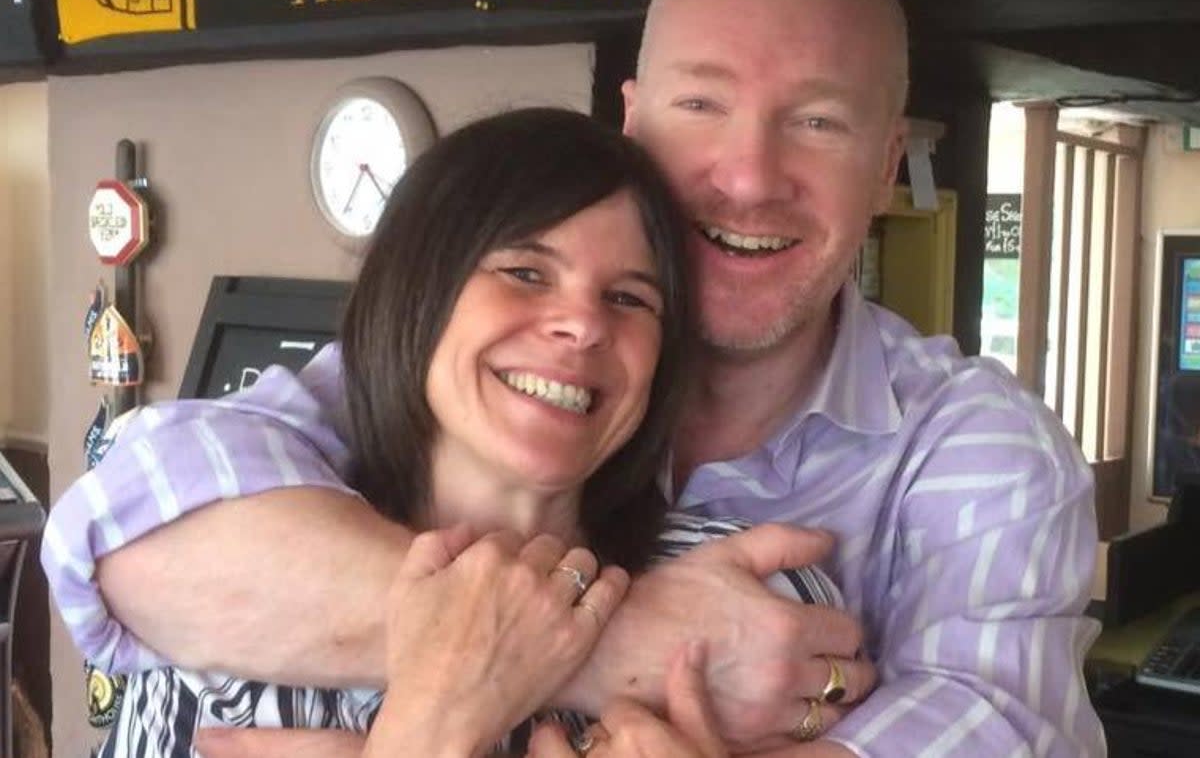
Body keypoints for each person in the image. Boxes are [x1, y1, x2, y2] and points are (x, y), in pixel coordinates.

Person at [44, 0, 1104, 755]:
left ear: (887, 167)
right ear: (633, 120)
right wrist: (607, 647)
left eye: (819, 122)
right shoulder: (417, 394)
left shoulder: (959, 459)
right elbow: (133, 525)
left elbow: (1004, 728)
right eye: (703, 102)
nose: (748, 173)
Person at [80, 107, 844, 757]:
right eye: (525, 272)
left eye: (628, 297)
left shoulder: (753, 604)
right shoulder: (232, 622)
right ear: (418, 295)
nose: (581, 324)